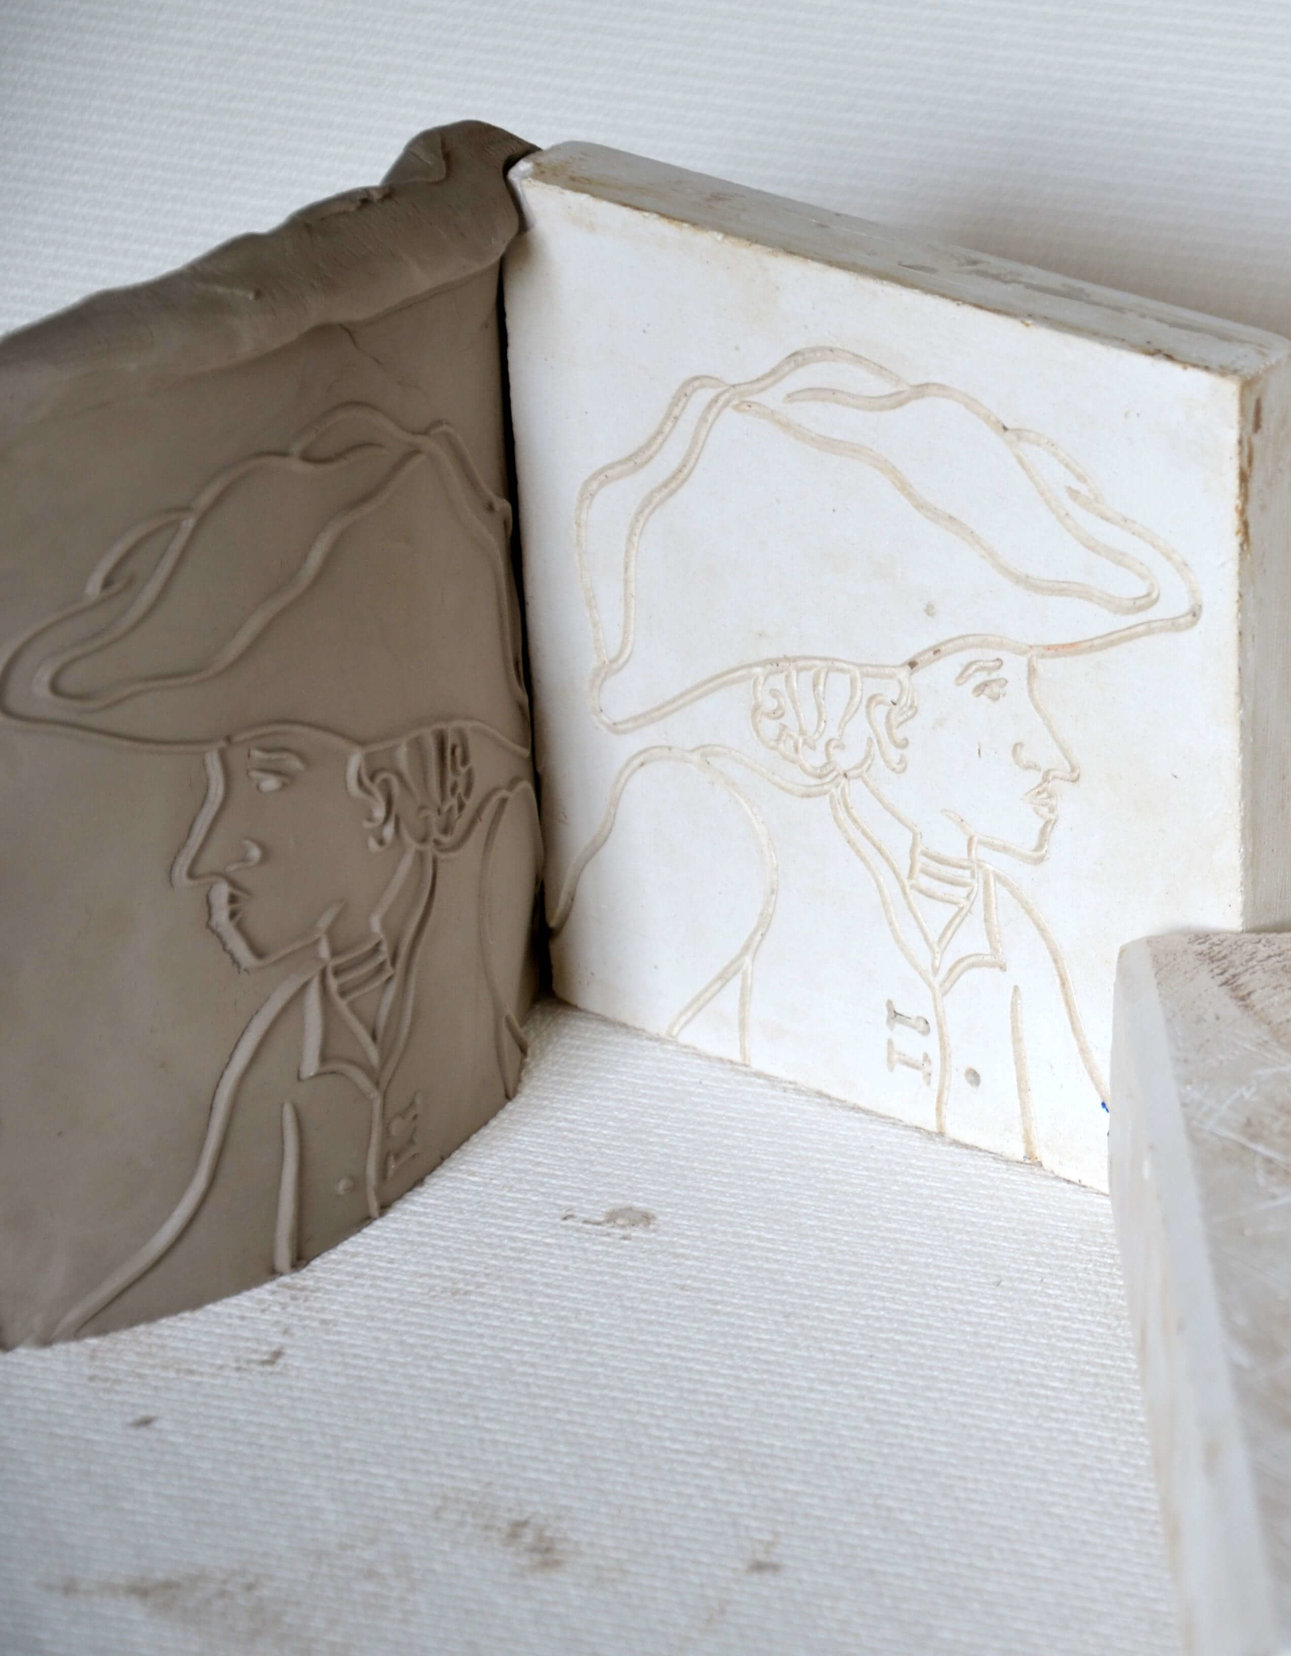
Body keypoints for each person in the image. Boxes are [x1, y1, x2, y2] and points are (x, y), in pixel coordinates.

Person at [545, 347, 1199, 1172]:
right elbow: (607, 1066)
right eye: (994, 689)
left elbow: (1111, 1151)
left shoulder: (1015, 937)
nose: (1054, 755)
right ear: (885, 719)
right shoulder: (718, 819)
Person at [0, 403, 537, 1341]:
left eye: (269, 776)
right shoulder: (285, 1063)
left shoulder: (485, 923)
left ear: (384, 792)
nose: (208, 852)